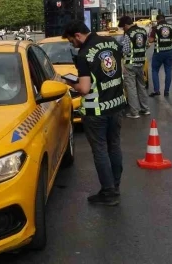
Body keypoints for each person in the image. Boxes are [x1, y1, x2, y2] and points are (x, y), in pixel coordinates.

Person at [63, 20, 126, 206]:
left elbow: (83, 88)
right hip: (116, 104)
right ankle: (115, 185)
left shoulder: (84, 55)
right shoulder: (112, 43)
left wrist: (69, 83)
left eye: (71, 41)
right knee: (114, 146)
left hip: (96, 110)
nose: (71, 45)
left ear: (77, 35)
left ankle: (108, 193)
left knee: (100, 150)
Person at [118, 16, 150, 118]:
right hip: (141, 63)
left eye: (123, 27)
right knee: (141, 86)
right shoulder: (143, 31)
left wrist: (120, 49)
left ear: (126, 25)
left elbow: (126, 50)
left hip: (130, 64)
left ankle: (134, 112)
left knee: (131, 88)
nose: (123, 29)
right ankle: (145, 109)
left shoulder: (128, 34)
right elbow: (147, 45)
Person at [149, 14, 172, 97]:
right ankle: (166, 91)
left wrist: (157, 39)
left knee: (155, 70)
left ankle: (157, 90)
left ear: (157, 20)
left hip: (158, 53)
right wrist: (169, 39)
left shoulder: (155, 28)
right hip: (169, 52)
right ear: (164, 19)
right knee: (168, 71)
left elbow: (150, 40)